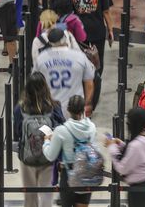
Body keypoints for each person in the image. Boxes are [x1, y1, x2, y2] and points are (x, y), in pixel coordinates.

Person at [13, 72, 65, 207]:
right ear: (45, 87)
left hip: (27, 157)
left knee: (30, 197)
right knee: (47, 195)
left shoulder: (20, 108)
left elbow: (18, 131)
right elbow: (61, 129)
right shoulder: (54, 107)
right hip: (48, 157)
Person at [42, 95, 97, 207]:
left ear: (68, 110)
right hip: (87, 173)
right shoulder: (92, 127)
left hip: (69, 176)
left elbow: (50, 156)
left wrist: (47, 142)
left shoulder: (61, 130)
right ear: (83, 109)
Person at [34, 28, 95, 118]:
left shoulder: (41, 59)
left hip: (50, 110)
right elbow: (89, 83)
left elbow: (35, 84)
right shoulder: (79, 57)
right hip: (75, 110)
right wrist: (87, 103)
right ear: (64, 39)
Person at [70, 0, 114, 75]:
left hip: (78, 31)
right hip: (97, 30)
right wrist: (110, 30)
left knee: (79, 61)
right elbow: (106, 12)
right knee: (97, 62)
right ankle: (96, 84)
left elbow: (69, 11)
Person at [107, 108, 145, 207]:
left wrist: (112, 147)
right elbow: (140, 153)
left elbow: (123, 168)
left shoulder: (135, 145)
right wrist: (122, 145)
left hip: (138, 189)